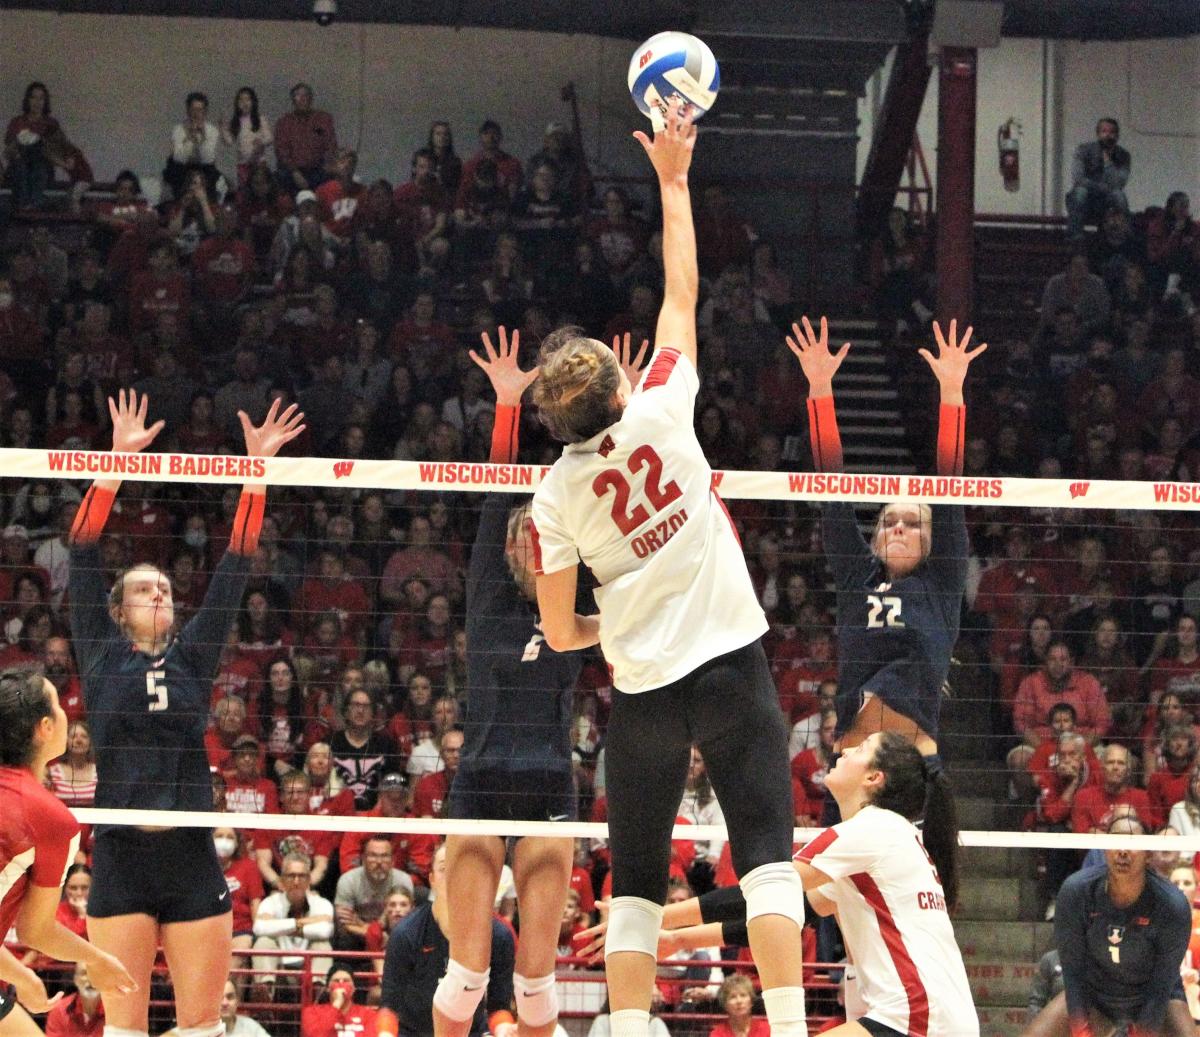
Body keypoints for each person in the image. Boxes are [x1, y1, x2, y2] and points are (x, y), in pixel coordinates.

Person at [529, 102, 809, 1037]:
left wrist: (626, 617)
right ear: (620, 377)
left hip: (644, 690)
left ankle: (631, 1027)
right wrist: (676, 180)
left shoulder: (553, 499)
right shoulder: (660, 409)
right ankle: (787, 1019)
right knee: (767, 851)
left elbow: (564, 633)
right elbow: (681, 292)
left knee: (637, 873)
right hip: (731, 662)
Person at [66, 390, 303, 1037]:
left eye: (165, 588)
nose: (160, 593)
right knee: (125, 1029)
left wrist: (256, 470)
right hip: (120, 856)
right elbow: (81, 553)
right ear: (120, 610)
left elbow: (234, 569)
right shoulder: (101, 651)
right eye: (145, 587)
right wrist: (114, 463)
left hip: (191, 856)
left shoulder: (191, 657)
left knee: (201, 1029)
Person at [579, 731, 976, 1037]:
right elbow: (784, 914)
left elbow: (765, 890)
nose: (843, 751)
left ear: (874, 777)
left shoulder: (870, 829)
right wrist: (677, 939)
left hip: (919, 1015)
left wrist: (652, 916)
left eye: (859, 750)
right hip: (936, 1015)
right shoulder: (887, 838)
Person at [432, 326, 585, 1037]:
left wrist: (630, 409)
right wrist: (507, 405)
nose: (531, 540)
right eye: (521, 533)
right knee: (464, 977)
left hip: (551, 787)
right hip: (481, 781)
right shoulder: (488, 596)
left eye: (543, 535)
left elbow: (596, 491)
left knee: (535, 984)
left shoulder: (582, 606)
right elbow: (499, 497)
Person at [791, 316, 983, 767]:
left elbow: (950, 486)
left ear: (933, 542)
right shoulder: (860, 574)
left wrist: (952, 393)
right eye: (888, 522)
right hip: (853, 761)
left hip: (911, 763)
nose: (898, 527)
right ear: (874, 538)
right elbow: (831, 488)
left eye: (912, 523)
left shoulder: (941, 581)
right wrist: (820, 388)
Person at [0, 668, 135, 1037]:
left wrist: (20, 975)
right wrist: (96, 958)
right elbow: (35, 929)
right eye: (59, 707)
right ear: (44, 728)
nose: (67, 714)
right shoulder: (48, 818)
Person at [1023, 815, 1193, 1036]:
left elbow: (1161, 986)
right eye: (1116, 841)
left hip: (1155, 999)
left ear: (1148, 853)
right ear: (1104, 849)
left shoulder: (1173, 905)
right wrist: (1082, 1032)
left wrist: (1141, 1033)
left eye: (1133, 843)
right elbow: (1073, 974)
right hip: (1094, 996)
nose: (1123, 850)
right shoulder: (1076, 891)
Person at [379, 844, 514, 1037]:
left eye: (460, 868)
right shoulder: (406, 933)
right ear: (432, 879)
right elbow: (389, 1006)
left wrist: (504, 1030)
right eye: (444, 868)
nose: (452, 875)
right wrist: (385, 1034)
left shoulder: (498, 935)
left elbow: (499, 1007)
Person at [251, 853, 334, 1002]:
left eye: (302, 876)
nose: (296, 881)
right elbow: (259, 928)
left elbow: (325, 931)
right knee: (263, 942)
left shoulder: (322, 903)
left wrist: (277, 925)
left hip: (308, 965)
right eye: (291, 876)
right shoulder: (270, 902)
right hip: (279, 965)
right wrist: (300, 923)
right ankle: (265, 992)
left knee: (322, 944)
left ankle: (318, 993)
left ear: (309, 880)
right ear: (282, 880)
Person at [1066, 118, 1131, 239]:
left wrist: (1108, 163)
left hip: (1106, 199)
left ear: (1117, 135)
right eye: (1104, 131)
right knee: (1080, 192)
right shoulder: (1083, 150)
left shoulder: (1124, 155)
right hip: (1085, 197)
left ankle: (1122, 237)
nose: (1108, 135)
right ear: (1098, 134)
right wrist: (1102, 187)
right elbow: (1078, 178)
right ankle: (1075, 235)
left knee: (1119, 196)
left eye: (1112, 132)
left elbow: (1119, 183)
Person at [274, 83, 337, 194]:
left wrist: (328, 164)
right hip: (292, 171)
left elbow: (330, 144)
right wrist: (295, 172)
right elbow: (281, 150)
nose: (302, 99)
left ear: (311, 99)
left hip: (318, 169)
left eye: (305, 95)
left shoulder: (323, 119)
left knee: (331, 176)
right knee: (280, 177)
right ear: (293, 100)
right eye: (298, 95)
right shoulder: (284, 122)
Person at [301, 965, 376, 1037]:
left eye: (346, 980)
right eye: (336, 981)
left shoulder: (368, 1014)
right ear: (328, 988)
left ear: (354, 989)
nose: (341, 984)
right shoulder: (311, 1012)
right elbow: (316, 1035)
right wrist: (336, 1005)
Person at [44, 963, 105, 1037]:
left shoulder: (114, 1011)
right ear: (75, 979)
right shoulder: (59, 1010)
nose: (90, 979)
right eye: (84, 973)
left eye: (96, 974)